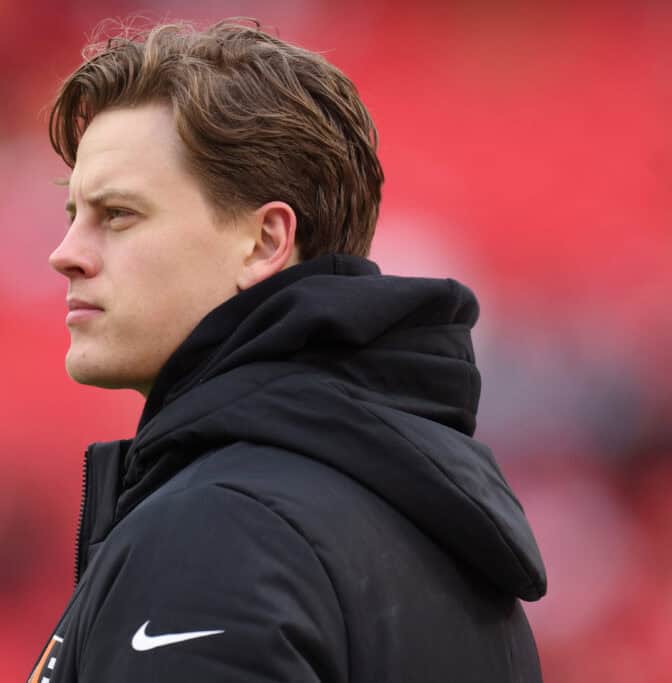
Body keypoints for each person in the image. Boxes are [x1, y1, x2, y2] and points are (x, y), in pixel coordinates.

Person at [28, 18, 547, 683]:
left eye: (118, 214)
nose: (64, 253)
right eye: (72, 214)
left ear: (265, 241)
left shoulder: (216, 529)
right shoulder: (435, 527)